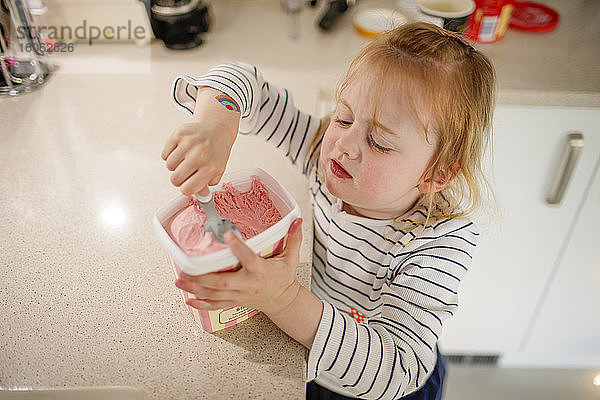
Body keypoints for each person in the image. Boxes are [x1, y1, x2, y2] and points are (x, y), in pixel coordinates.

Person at [162, 22, 496, 400]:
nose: (344, 144)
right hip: (312, 356)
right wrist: (216, 124)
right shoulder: (320, 153)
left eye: (380, 142)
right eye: (344, 117)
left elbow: (400, 369)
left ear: (437, 173)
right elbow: (239, 78)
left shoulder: (440, 241)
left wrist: (284, 300)